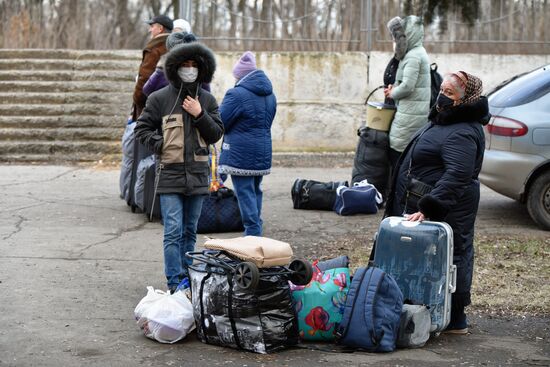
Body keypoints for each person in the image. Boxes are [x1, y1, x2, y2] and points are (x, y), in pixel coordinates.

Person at [384, 71, 490, 334]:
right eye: (442, 89)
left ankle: (454, 318)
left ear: (466, 100)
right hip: (427, 202)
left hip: (447, 208)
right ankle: (425, 308)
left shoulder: (463, 131)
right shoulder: (445, 120)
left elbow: (457, 175)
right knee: (427, 259)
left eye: (450, 93)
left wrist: (428, 207)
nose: (442, 95)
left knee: (451, 258)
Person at [134, 41, 223, 293]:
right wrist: (160, 144)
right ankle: (175, 283)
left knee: (190, 230)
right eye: (185, 65)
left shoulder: (206, 99)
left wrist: (199, 113)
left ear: (202, 69)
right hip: (170, 174)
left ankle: (189, 278)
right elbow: (142, 128)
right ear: (175, 68)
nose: (190, 69)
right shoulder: (159, 98)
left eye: (195, 65)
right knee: (172, 230)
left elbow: (216, 133)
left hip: (197, 175)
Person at [218, 51, 276, 236]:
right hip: (263, 149)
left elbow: (221, 122)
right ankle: (255, 226)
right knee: (254, 189)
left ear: (240, 75)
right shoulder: (270, 95)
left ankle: (252, 231)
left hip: (240, 152)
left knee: (244, 192)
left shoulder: (236, 94)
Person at [383, 15, 431, 169]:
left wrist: (392, 93)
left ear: (408, 34)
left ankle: (399, 188)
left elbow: (408, 86)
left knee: (398, 150)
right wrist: (394, 88)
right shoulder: (416, 53)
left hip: (410, 116)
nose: (396, 40)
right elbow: (406, 82)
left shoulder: (413, 56)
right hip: (411, 112)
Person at [131, 14, 173, 121]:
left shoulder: (154, 48)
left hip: (150, 105)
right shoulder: (175, 46)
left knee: (146, 135)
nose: (150, 30)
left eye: (152, 26)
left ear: (160, 28)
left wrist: (137, 99)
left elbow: (144, 77)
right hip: (170, 104)